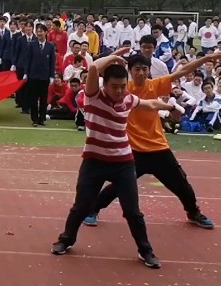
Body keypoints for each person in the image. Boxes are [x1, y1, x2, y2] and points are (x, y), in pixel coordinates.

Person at [52, 47, 178, 269]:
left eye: (122, 86)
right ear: (104, 84)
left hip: (123, 163)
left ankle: (146, 251)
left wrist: (170, 107)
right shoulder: (93, 97)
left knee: (133, 212)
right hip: (94, 162)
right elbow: (92, 69)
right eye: (114, 87)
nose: (119, 91)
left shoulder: (128, 99)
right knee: (82, 206)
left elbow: (149, 104)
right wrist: (114, 57)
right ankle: (66, 240)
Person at [83, 51, 221, 230]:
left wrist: (206, 59)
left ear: (149, 70)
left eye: (145, 69)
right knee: (117, 186)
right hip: (133, 150)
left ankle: (193, 212)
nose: (141, 73)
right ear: (130, 70)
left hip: (158, 148)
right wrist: (113, 57)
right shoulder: (122, 88)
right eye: (137, 69)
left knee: (181, 184)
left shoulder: (155, 85)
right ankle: (92, 210)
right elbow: (95, 72)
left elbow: (183, 71)